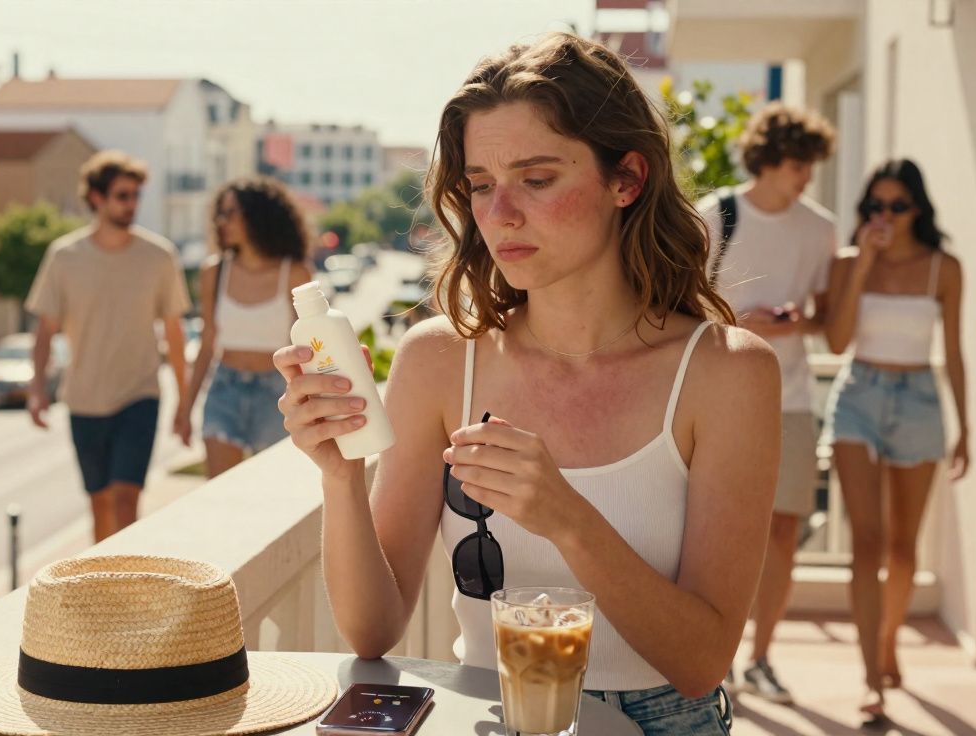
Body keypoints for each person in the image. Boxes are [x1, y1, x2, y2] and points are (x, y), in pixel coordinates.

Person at [275, 33, 781, 734]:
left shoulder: (728, 373)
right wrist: (338, 478)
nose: (499, 215)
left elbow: (700, 663)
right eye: (481, 185)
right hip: (481, 713)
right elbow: (373, 629)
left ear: (627, 179)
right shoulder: (439, 361)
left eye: (536, 180)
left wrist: (567, 517)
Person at [697, 102, 837, 704]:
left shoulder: (821, 228)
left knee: (783, 533)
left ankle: (762, 658)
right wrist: (742, 320)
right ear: (776, 157)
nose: (809, 175)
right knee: (710, 531)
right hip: (719, 395)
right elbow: (680, 301)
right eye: (803, 162)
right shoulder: (716, 214)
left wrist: (800, 321)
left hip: (795, 397)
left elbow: (828, 317)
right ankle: (714, 656)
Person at [824, 159, 969, 719]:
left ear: (918, 210)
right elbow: (836, 342)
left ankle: (887, 640)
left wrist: (966, 428)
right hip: (858, 393)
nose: (885, 216)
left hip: (919, 401)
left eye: (897, 206)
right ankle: (870, 680)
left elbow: (954, 353)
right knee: (866, 540)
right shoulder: (848, 263)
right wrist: (863, 266)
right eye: (875, 207)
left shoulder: (944, 268)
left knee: (903, 549)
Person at [25, 150, 191, 543]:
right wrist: (36, 389)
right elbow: (45, 329)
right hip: (83, 399)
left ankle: (126, 589)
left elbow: (174, 332)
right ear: (96, 198)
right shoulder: (64, 257)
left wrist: (184, 403)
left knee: (125, 498)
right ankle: (104, 589)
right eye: (122, 195)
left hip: (140, 394)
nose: (131, 204)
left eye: (135, 195)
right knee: (99, 503)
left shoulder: (159, 256)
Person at [174, 178, 313, 478]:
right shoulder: (214, 271)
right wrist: (185, 408)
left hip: (276, 394)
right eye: (219, 214)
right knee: (222, 496)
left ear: (257, 215)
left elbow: (309, 346)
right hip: (225, 390)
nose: (222, 221)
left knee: (272, 497)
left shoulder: (294, 272)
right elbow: (207, 342)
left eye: (231, 213)